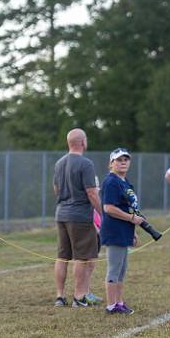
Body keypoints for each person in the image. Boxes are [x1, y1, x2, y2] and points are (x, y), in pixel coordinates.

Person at [53, 128, 103, 308]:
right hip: (80, 216)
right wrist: (102, 214)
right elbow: (91, 192)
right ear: (83, 142)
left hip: (61, 214)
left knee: (62, 257)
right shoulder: (86, 163)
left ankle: (60, 296)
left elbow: (56, 190)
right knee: (83, 257)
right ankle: (79, 297)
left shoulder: (59, 163)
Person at [100, 148, 144, 314]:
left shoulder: (124, 182)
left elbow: (127, 206)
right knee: (114, 269)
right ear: (111, 163)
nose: (123, 162)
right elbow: (109, 208)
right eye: (119, 160)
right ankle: (111, 305)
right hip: (114, 231)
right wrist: (132, 219)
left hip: (124, 230)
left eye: (126, 159)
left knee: (122, 269)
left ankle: (119, 302)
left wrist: (132, 230)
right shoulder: (111, 181)